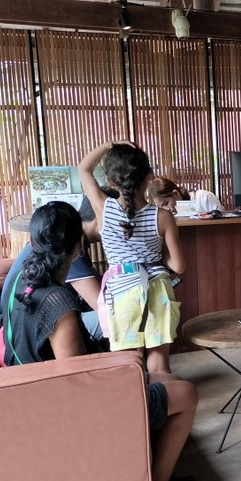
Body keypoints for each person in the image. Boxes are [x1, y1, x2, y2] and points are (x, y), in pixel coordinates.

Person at [1, 201, 209, 481]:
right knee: (186, 393)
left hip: (31, 392)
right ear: (77, 248)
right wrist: (126, 375)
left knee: (166, 379)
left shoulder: (22, 278)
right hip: (64, 409)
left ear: (33, 242)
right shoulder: (60, 306)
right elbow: (80, 386)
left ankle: (154, 470)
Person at [78, 141, 183, 375]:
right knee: (159, 363)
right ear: (150, 177)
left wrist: (108, 146)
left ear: (110, 180)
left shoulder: (103, 208)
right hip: (158, 290)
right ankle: (165, 409)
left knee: (129, 364)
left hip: (121, 292)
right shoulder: (163, 217)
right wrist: (157, 254)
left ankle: (138, 410)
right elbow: (178, 265)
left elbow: (83, 169)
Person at [1, 199, 104, 341]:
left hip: (17, 329)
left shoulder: (19, 277)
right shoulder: (66, 247)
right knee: (118, 319)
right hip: (35, 326)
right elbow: (101, 305)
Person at [147, 176, 223, 215]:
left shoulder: (203, 197)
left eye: (166, 203)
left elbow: (223, 223)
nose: (166, 209)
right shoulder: (171, 216)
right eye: (161, 207)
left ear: (175, 193)